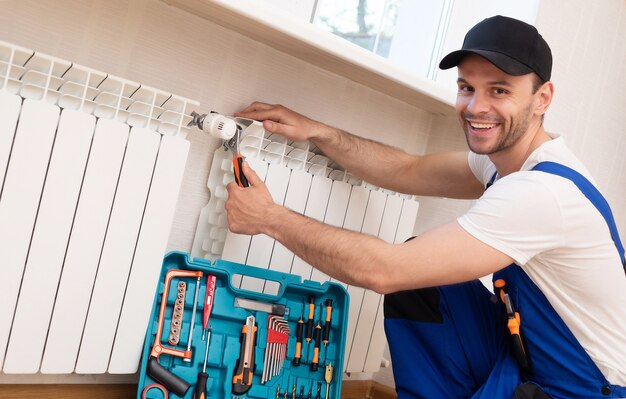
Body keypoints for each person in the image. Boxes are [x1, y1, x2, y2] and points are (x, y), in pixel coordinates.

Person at [225, 15, 626, 398]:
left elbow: (384, 271)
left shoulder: (541, 193)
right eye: (467, 87)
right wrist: (319, 132)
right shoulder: (510, 160)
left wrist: (269, 218)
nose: (475, 107)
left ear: (542, 98)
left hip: (586, 389)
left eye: (499, 91)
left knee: (408, 271)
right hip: (533, 363)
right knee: (427, 286)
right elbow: (408, 169)